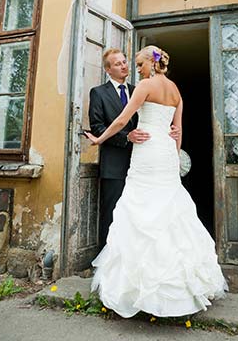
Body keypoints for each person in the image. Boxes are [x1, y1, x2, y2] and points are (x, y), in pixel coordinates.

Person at [85, 46, 228, 318]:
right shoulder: (175, 90)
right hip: (164, 154)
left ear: (150, 65)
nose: (136, 70)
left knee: (140, 207)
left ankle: (137, 288)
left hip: (148, 153)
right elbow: (178, 131)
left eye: (139, 65)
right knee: (170, 208)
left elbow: (122, 120)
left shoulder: (145, 86)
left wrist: (99, 139)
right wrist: (173, 160)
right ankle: (181, 284)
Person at [88, 48, 179, 249]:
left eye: (124, 62)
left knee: (143, 215)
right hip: (115, 163)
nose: (124, 66)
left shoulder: (141, 87)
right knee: (114, 212)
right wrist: (126, 137)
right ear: (108, 70)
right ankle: (108, 258)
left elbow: (153, 119)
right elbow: (98, 127)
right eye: (118, 63)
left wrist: (170, 130)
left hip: (145, 161)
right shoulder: (98, 93)